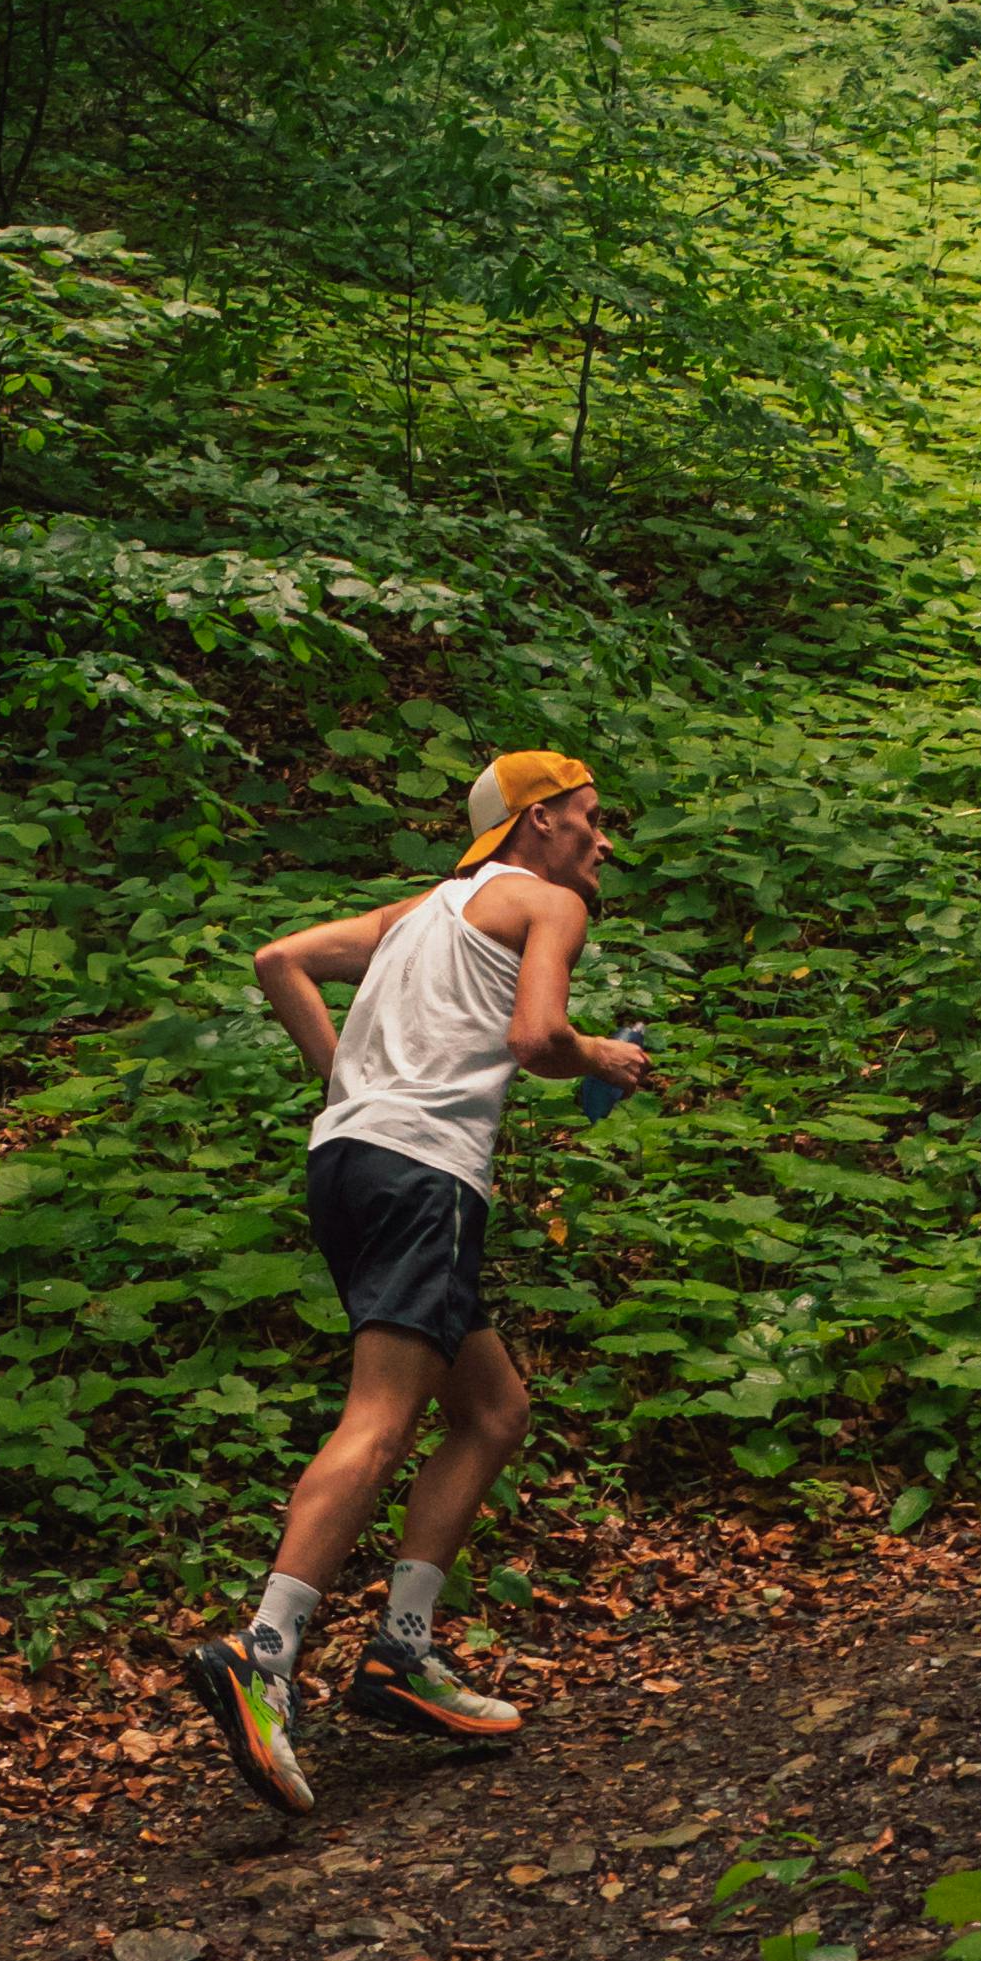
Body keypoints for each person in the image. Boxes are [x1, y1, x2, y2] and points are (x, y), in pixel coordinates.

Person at [185, 747, 652, 1811]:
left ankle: (400, 1656)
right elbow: (535, 1038)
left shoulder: (420, 913)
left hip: (344, 1162)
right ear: (537, 822)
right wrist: (602, 1060)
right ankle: (262, 1654)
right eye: (588, 817)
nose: (602, 839)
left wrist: (348, 1082)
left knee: (491, 1411)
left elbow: (277, 960)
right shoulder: (544, 905)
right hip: (424, 1172)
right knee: (382, 1419)